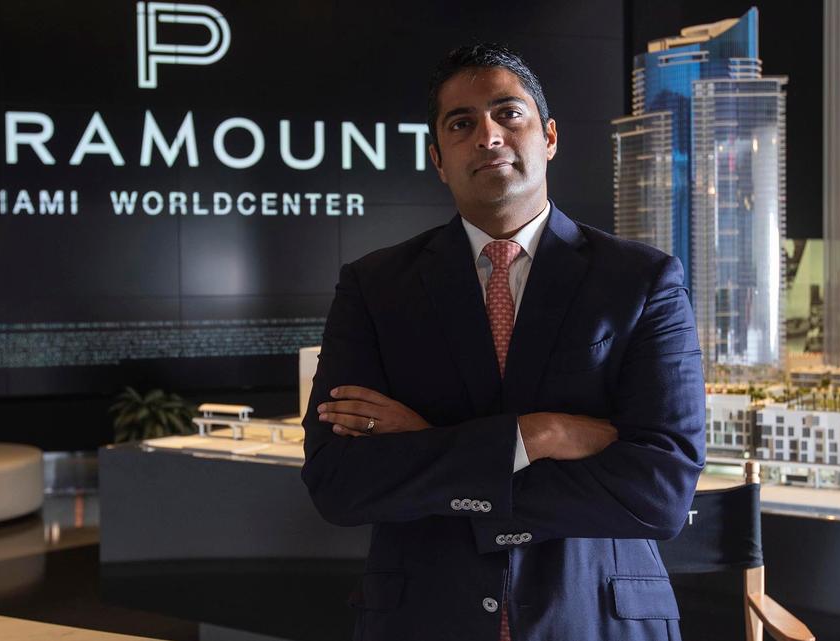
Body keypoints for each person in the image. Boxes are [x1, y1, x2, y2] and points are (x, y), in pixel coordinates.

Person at [301, 43, 705, 641]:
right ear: (439, 159)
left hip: (595, 618)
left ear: (550, 136)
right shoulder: (375, 287)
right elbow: (340, 484)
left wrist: (430, 446)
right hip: (423, 619)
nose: (487, 134)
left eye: (507, 113)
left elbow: (660, 492)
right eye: (461, 124)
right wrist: (539, 435)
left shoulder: (642, 281)